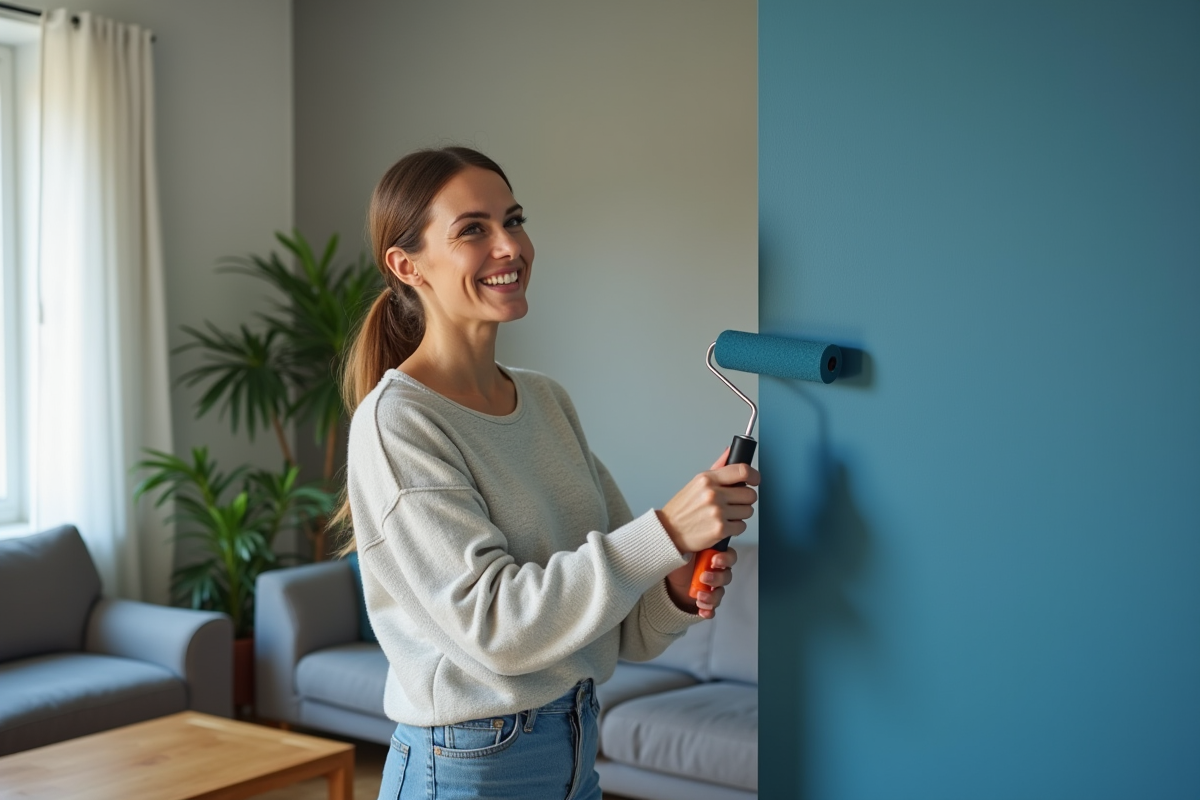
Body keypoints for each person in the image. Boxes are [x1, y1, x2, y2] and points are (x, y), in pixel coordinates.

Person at [338, 146, 759, 800]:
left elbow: (624, 630)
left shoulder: (545, 401)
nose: (510, 246)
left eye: (514, 219)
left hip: (574, 745)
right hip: (470, 767)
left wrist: (673, 581)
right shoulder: (398, 423)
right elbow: (498, 631)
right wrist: (666, 530)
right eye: (473, 229)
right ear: (406, 264)